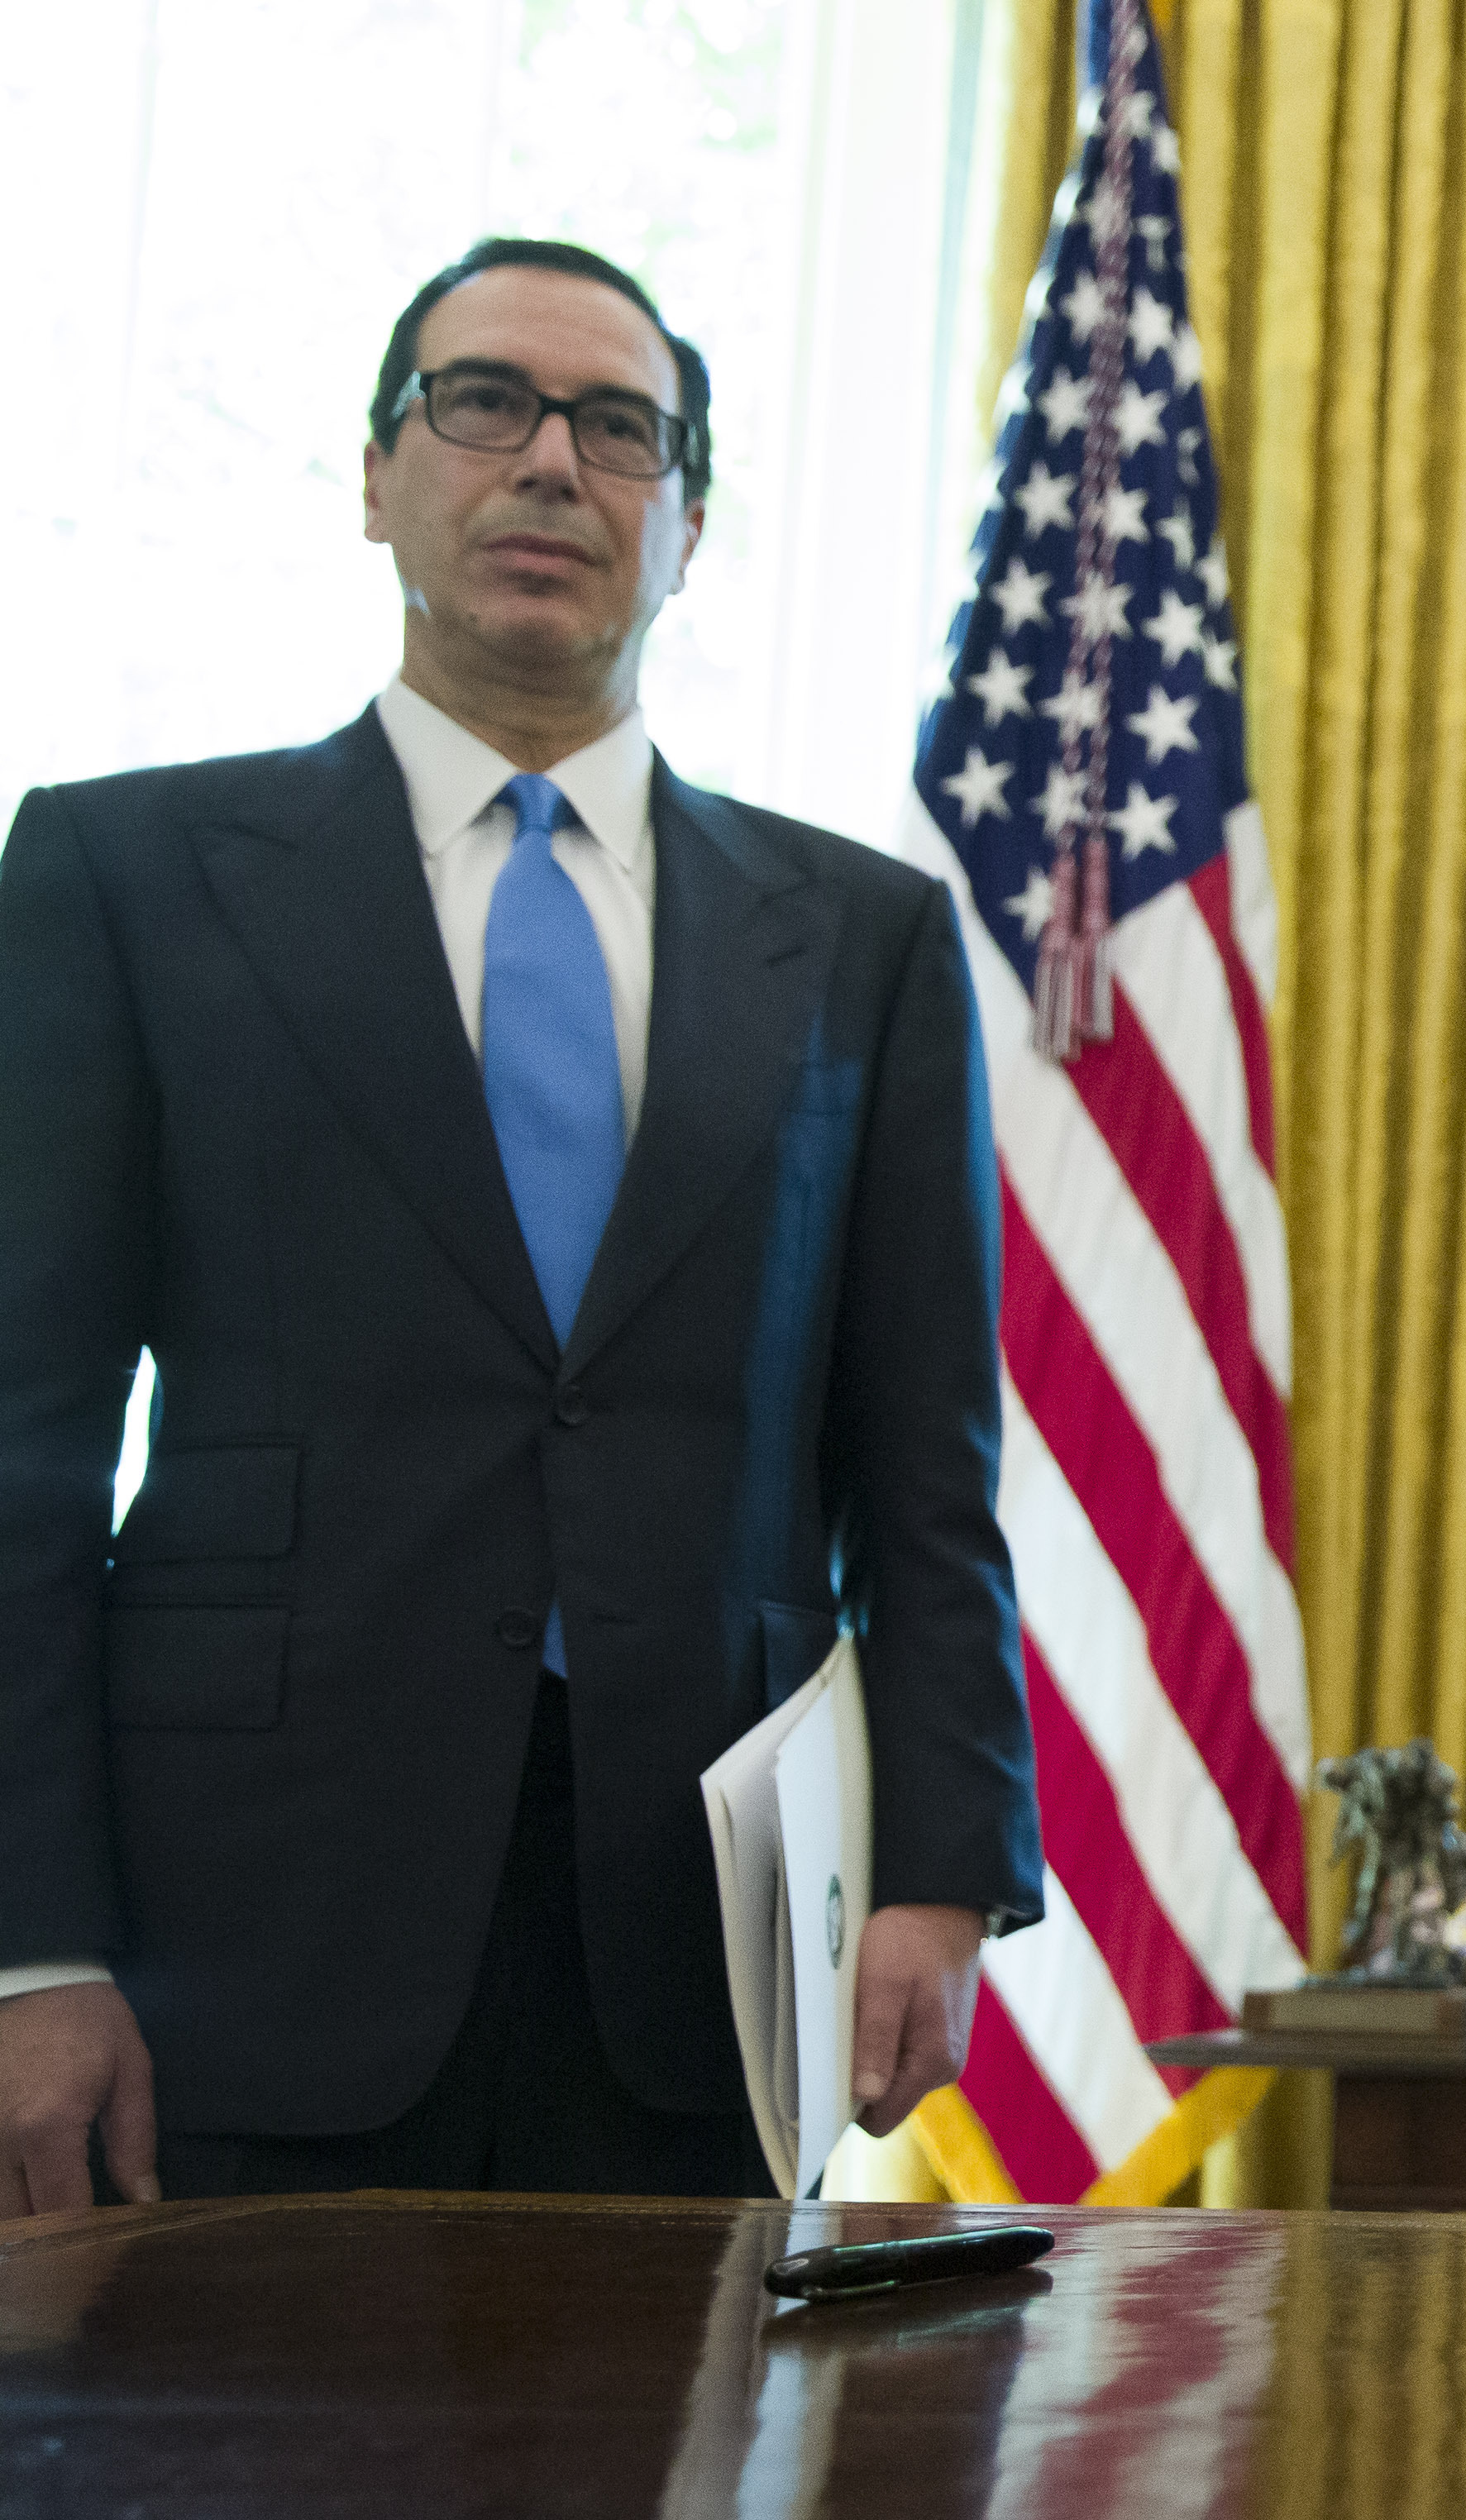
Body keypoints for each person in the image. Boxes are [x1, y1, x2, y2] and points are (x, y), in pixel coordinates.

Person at [0, 239, 1039, 2211]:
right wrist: (28, 1949)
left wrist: (941, 1867)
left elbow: (926, 1465)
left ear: (690, 522)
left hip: (705, 1945)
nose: (552, 462)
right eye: (484, 403)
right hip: (237, 1929)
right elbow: (18, 1450)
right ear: (380, 475)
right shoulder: (122, 875)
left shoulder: (865, 944)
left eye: (619, 429)